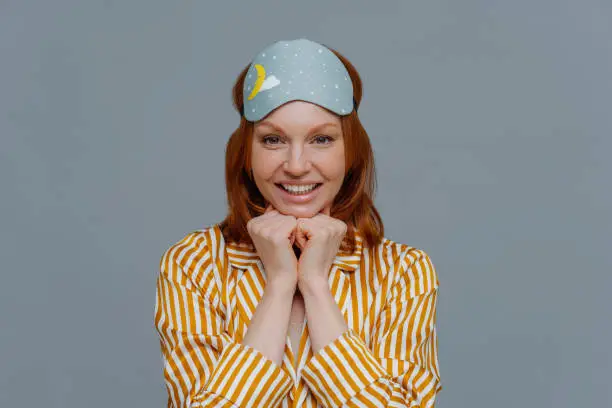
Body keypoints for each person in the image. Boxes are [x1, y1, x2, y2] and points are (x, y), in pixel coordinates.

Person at [154, 38, 442, 408]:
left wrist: (315, 284)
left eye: (321, 139)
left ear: (350, 151)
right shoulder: (194, 264)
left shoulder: (403, 273)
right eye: (273, 139)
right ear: (247, 153)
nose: (295, 164)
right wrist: (278, 284)